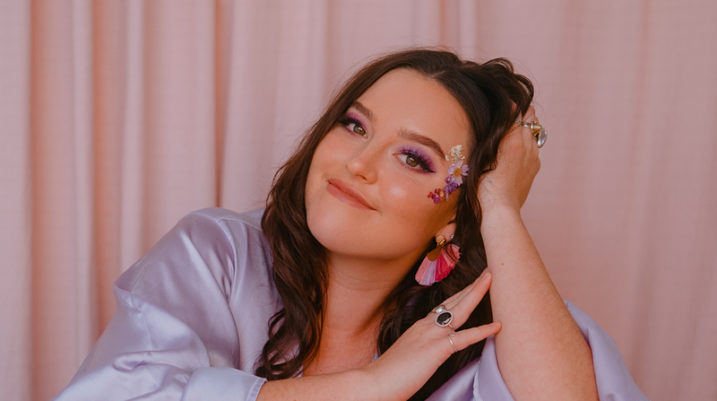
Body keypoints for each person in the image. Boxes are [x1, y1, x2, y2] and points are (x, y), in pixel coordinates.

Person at [52, 49, 648, 401]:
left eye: (413, 158)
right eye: (355, 126)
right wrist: (371, 387)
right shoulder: (217, 255)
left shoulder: (486, 323)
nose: (358, 163)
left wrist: (500, 207)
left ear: (453, 215)